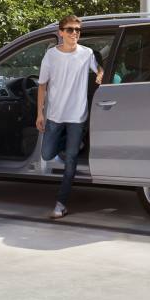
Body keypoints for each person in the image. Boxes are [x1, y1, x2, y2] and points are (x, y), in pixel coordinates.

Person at [36, 15, 103, 219]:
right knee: (47, 154)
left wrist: (100, 72)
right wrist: (39, 112)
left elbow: (98, 68)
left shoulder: (86, 53)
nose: (74, 33)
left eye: (77, 30)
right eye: (70, 29)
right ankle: (75, 145)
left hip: (77, 116)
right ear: (61, 33)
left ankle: (61, 203)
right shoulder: (50, 56)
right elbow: (42, 85)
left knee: (70, 161)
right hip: (55, 115)